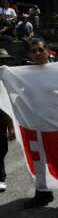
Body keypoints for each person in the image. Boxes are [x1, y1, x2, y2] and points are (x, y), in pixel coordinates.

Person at [23, 37, 58, 210]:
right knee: (37, 163)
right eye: (34, 51)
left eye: (41, 49)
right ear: (29, 55)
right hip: (34, 126)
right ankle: (43, 193)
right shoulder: (24, 74)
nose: (38, 53)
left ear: (48, 51)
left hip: (56, 126)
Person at [0, 48, 15, 192]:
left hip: (1, 121)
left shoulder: (6, 78)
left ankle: (0, 178)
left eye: (5, 60)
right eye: (1, 60)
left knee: (1, 150)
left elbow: (8, 104)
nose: (3, 63)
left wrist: (11, 127)